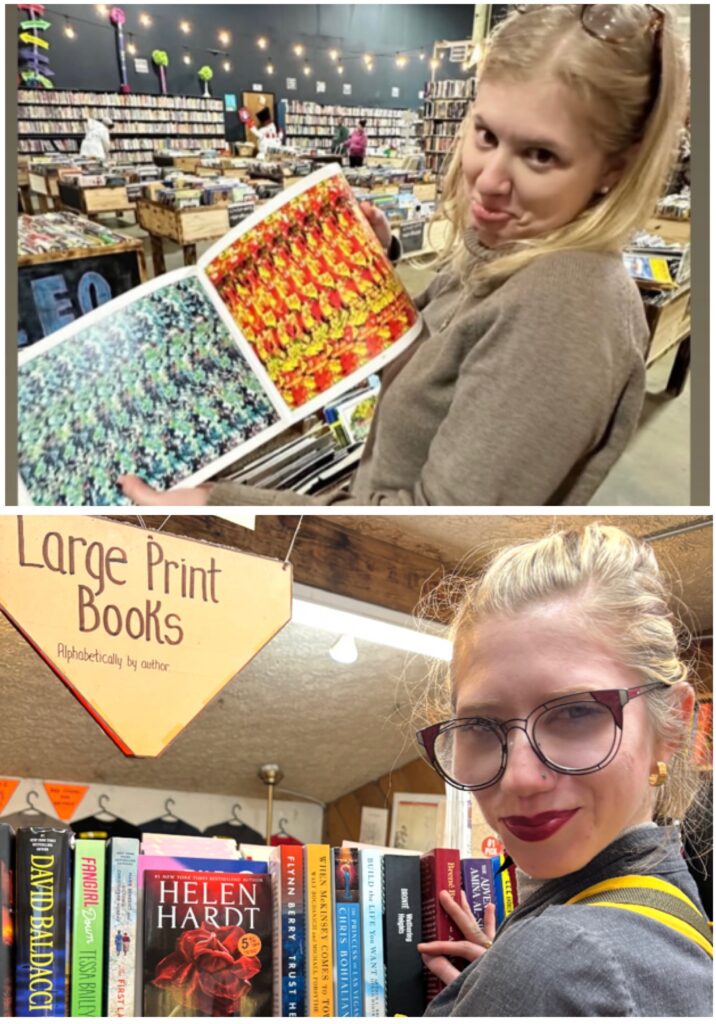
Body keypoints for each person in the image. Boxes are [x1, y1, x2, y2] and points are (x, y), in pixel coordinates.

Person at [119, 5, 688, 508]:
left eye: (540, 155)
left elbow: (432, 524)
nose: (488, 181)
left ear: (615, 167)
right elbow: (434, 364)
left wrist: (221, 501)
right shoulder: (512, 248)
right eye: (486, 135)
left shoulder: (565, 310)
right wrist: (372, 268)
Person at [413, 524, 712, 1016]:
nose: (519, 778)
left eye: (576, 712)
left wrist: (524, 975)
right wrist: (497, 979)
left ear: (674, 724)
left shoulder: (562, 962)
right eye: (481, 725)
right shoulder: (673, 921)